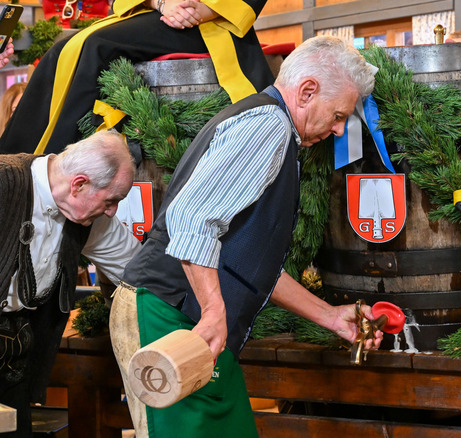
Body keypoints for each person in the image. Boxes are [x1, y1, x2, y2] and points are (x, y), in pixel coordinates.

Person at [109, 36, 383, 438]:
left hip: (194, 322)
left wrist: (330, 318)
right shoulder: (267, 125)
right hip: (167, 317)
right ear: (307, 91)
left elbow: (245, 265)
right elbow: (193, 219)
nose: (341, 129)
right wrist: (214, 311)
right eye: (339, 114)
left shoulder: (275, 128)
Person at [0, 130, 139, 438]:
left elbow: (138, 273)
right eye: (112, 200)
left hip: (14, 360)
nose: (113, 210)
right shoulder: (4, 181)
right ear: (79, 184)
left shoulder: (92, 219)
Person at [0, 0, 274, 156]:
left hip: (213, 19)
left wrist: (204, 9)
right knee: (65, 47)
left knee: (93, 45)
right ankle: (18, 162)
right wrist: (163, 2)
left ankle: (46, 159)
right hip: (161, 10)